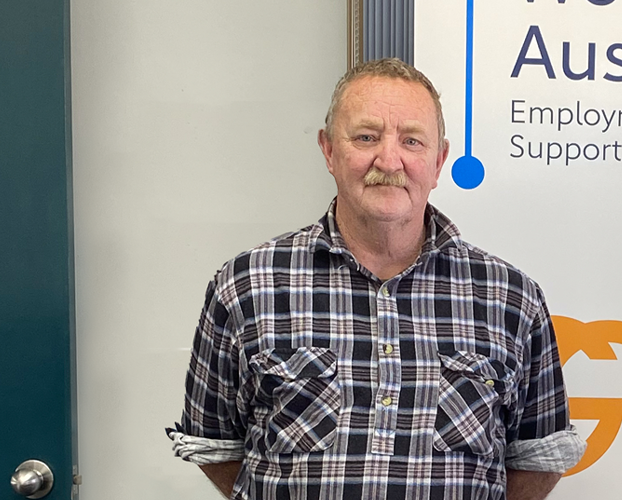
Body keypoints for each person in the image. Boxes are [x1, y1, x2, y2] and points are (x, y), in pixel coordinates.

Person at [167, 58, 584, 500]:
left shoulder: (511, 299)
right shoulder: (247, 286)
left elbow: (538, 458)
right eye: (366, 137)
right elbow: (214, 445)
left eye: (412, 140)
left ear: (439, 160)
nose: (389, 159)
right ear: (329, 150)